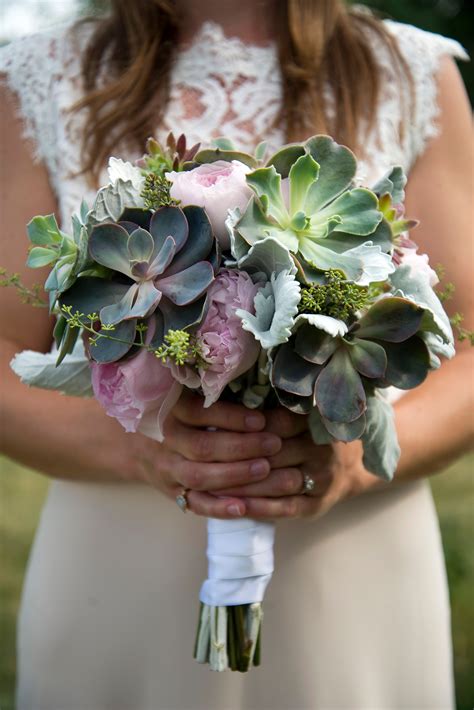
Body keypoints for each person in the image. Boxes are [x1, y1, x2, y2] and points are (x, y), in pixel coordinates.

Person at [0, 0, 472, 708]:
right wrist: (139, 448)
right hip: (118, 565)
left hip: (352, 563)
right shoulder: (38, 74)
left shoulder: (410, 73)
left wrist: (350, 464)